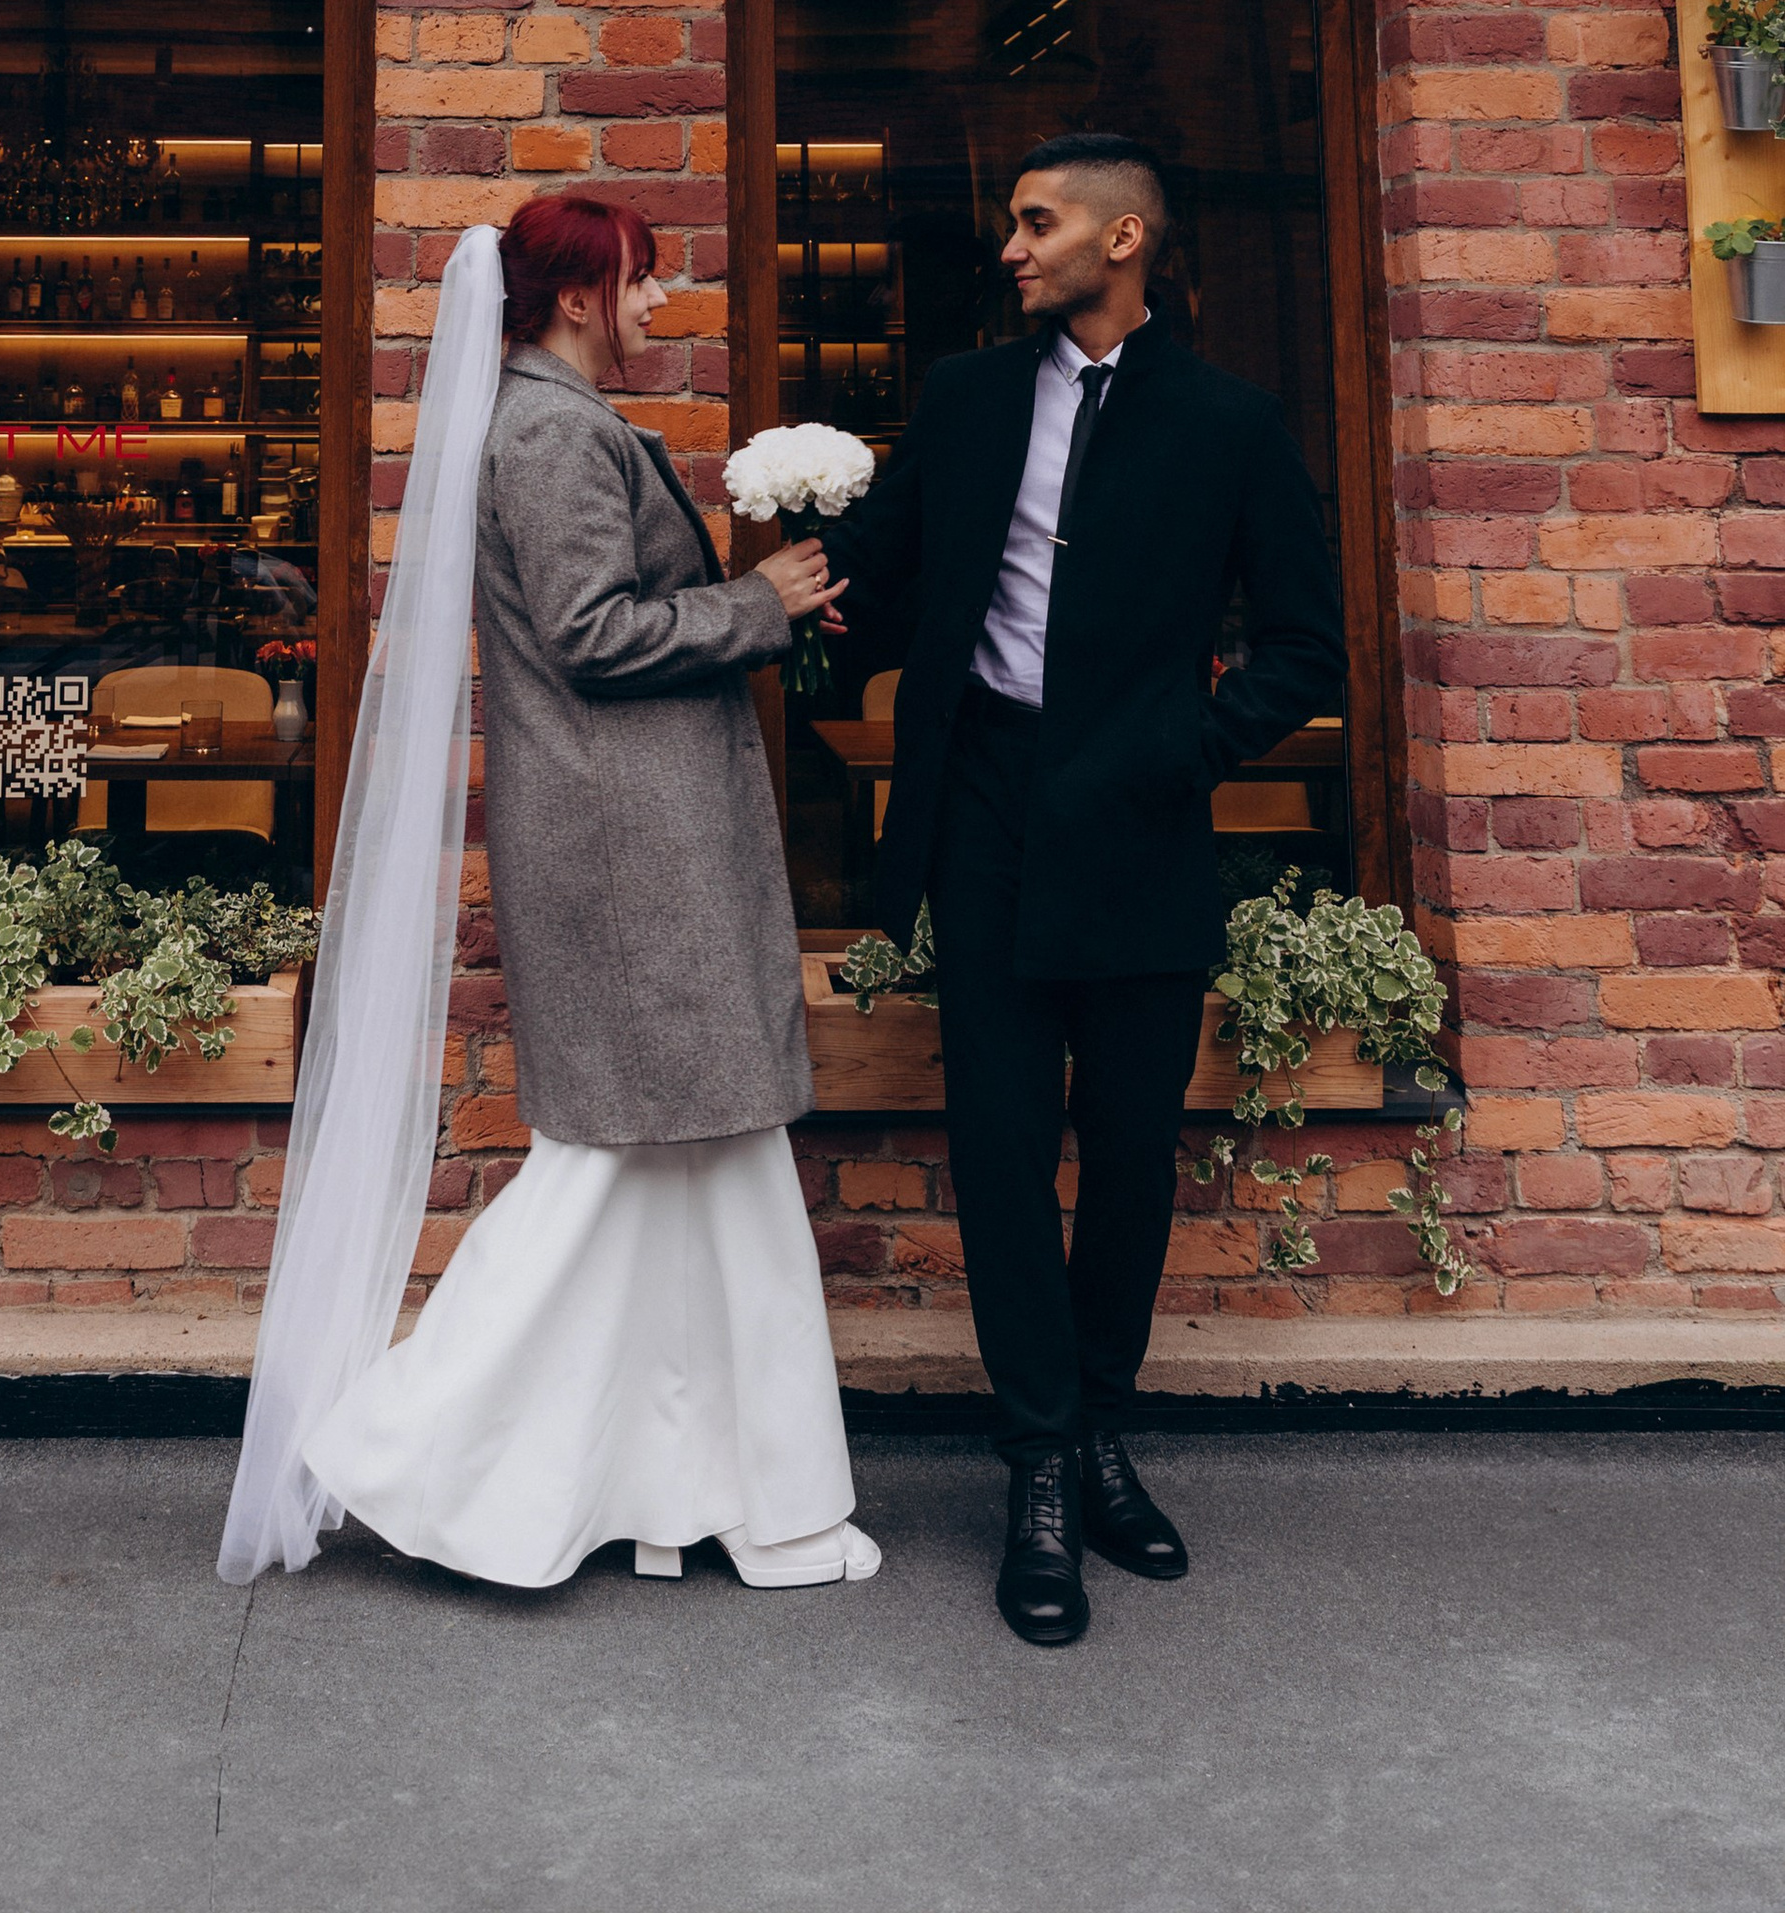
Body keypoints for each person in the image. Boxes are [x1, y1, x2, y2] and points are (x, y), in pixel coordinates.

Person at [219, 190, 876, 1591]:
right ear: (579, 294)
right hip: (636, 857)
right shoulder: (552, 429)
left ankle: (678, 1496)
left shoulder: (547, 420)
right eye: (643, 283)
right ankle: (409, 1444)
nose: (659, 306)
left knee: (680, 1170)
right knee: (631, 1170)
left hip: (637, 845)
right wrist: (762, 603)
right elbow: (591, 632)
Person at [821, 132, 1343, 1648]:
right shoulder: (969, 396)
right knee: (997, 1148)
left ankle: (1101, 1426)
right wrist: (765, 538)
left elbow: (1307, 645)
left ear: (1124, 239)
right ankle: (1041, 1464)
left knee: (1126, 1152)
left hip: (1143, 828)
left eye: (1037, 222)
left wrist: (1183, 745)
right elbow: (877, 563)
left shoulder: (1232, 424)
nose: (1011, 247)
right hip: (983, 813)